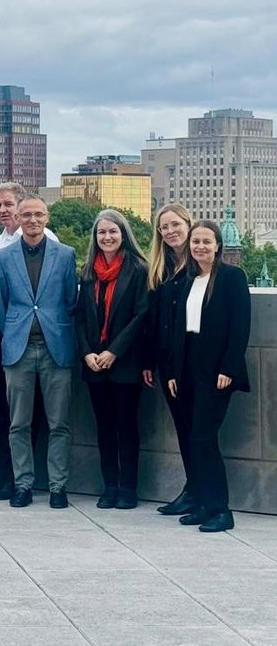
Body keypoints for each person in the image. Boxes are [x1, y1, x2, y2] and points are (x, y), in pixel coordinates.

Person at [159, 220, 251, 533]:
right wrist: (171, 371)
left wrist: (229, 367)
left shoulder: (231, 277)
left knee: (203, 438)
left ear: (218, 245)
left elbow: (240, 328)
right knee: (191, 437)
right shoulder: (189, 279)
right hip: (186, 368)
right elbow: (177, 330)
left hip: (216, 372)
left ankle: (220, 511)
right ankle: (201, 504)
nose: (200, 247)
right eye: (195, 242)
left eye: (206, 242)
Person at [0, 196, 78, 509]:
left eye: (38, 214)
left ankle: (58, 487)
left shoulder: (66, 255)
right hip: (19, 349)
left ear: (47, 217)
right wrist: (16, 331)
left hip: (56, 348)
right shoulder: (3, 257)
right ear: (18, 217)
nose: (32, 220)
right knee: (18, 424)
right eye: (26, 214)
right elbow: (1, 305)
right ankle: (23, 485)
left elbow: (71, 302)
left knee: (59, 423)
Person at [0, 181, 56, 501]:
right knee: (4, 410)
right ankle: (3, 477)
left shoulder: (45, 241)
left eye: (8, 204)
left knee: (26, 412)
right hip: (3, 335)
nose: (3, 211)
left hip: (33, 338)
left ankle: (18, 479)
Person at [74, 209, 149, 510]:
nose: (107, 237)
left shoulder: (139, 269)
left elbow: (141, 315)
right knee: (104, 427)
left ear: (123, 235)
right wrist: (87, 352)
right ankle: (110, 487)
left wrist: (113, 351)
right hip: (94, 363)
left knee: (127, 426)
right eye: (101, 233)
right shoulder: (87, 272)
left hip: (125, 363)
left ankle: (128, 488)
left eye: (112, 232)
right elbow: (78, 317)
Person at [144, 204, 198, 517]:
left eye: (175, 225)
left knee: (197, 430)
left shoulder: (199, 267)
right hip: (166, 365)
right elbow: (154, 321)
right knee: (182, 427)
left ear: (188, 225)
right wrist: (149, 362)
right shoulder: (160, 269)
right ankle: (192, 489)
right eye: (164, 227)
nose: (170, 232)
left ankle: (200, 491)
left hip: (191, 364)